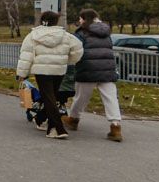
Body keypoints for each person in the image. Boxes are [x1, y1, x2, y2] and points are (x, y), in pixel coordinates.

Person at [16, 10, 84, 139]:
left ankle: (57, 128)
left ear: (42, 20)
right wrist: (68, 60)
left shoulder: (33, 35)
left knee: (48, 98)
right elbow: (78, 50)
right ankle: (42, 119)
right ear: (56, 21)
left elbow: (26, 56)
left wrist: (22, 73)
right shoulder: (65, 36)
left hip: (41, 71)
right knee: (53, 96)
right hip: (59, 70)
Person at [65, 8, 123, 142]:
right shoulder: (106, 32)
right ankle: (115, 127)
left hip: (87, 68)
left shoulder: (82, 32)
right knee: (111, 98)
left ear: (85, 18)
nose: (79, 21)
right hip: (107, 69)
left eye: (80, 18)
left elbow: (76, 49)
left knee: (81, 97)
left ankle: (73, 119)